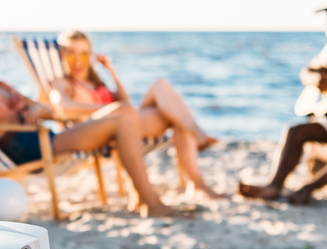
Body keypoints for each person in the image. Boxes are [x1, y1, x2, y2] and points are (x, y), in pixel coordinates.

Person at [0, 31, 182, 218]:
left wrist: (34, 109)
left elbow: (48, 110)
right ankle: (152, 203)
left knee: (124, 112)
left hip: (46, 136)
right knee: (123, 117)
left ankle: (143, 199)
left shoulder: (2, 86)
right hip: (29, 148)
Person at [50, 30, 223, 199]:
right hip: (98, 129)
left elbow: (127, 102)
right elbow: (62, 106)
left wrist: (111, 70)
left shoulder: (96, 83)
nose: (78, 61)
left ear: (90, 56)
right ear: (62, 54)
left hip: (124, 121)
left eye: (84, 54)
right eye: (71, 54)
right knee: (170, 114)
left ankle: (198, 174)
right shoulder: (62, 83)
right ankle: (198, 145)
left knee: (161, 88)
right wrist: (108, 109)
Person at [238, 0, 327, 204]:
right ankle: (273, 186)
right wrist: (320, 80)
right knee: (296, 131)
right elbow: (306, 72)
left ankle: (309, 188)